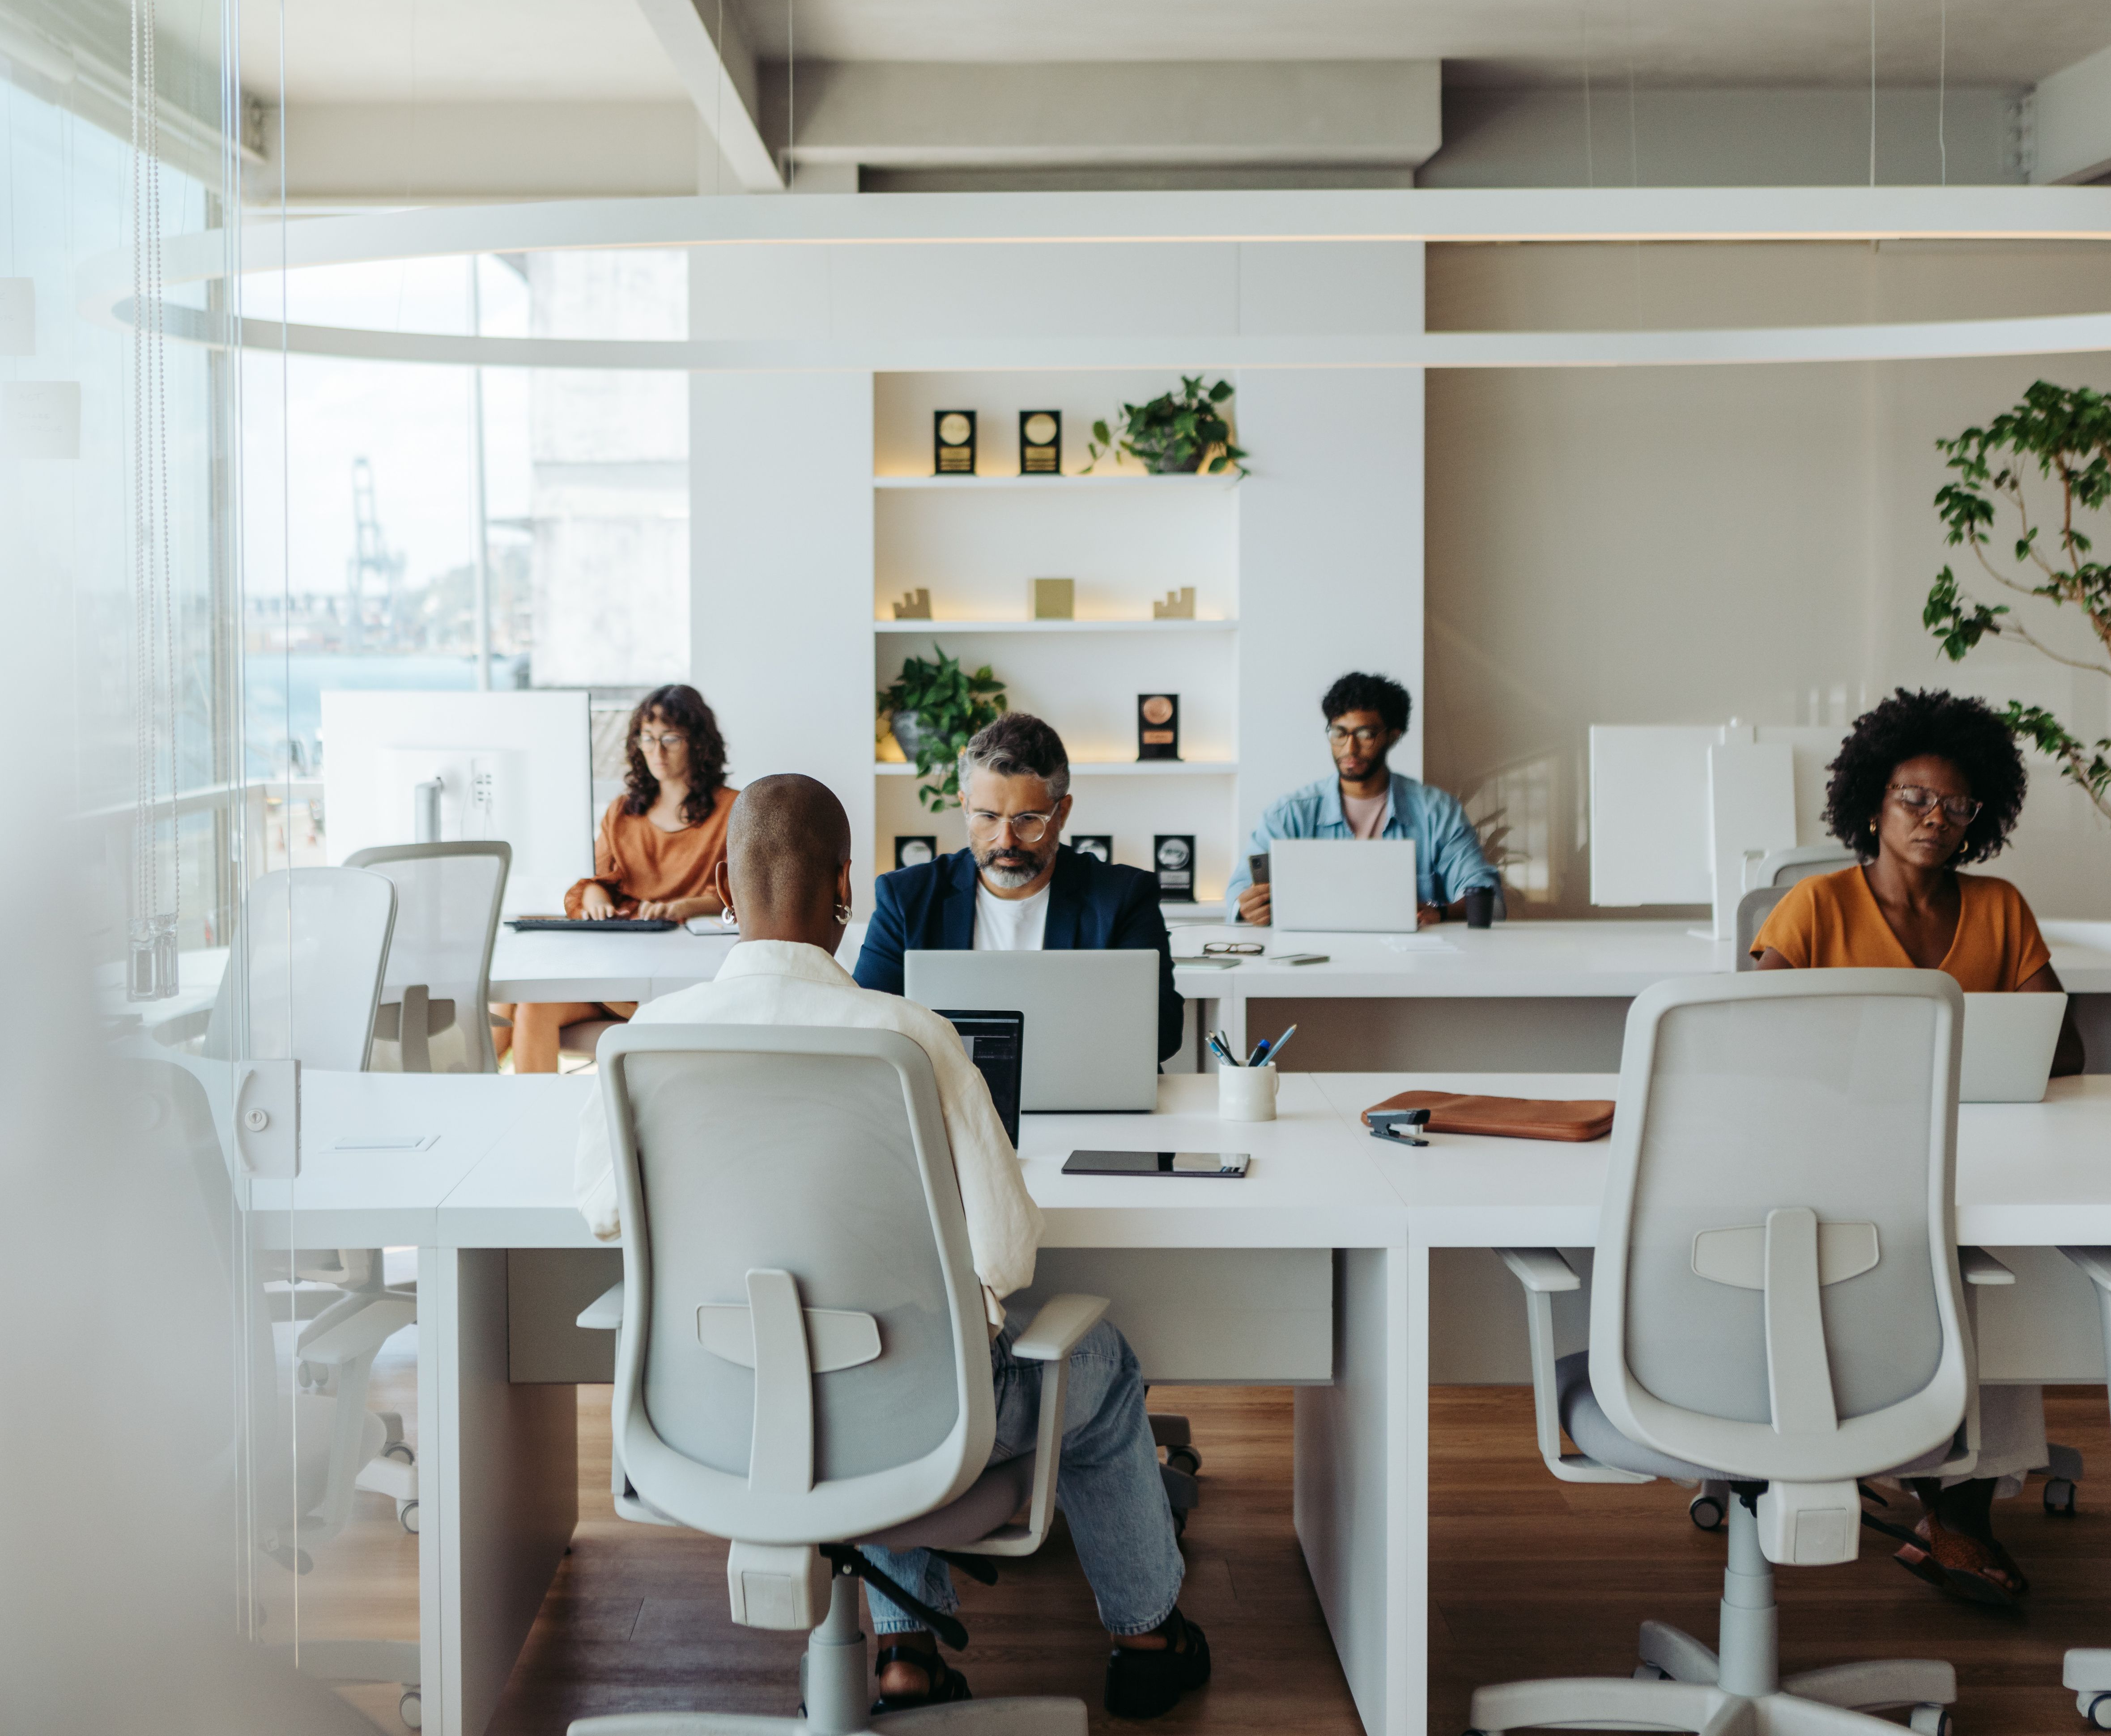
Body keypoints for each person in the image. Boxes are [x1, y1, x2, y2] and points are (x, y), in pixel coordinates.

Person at [570, 775, 1212, 1720]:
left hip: (711, 1418)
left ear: (717, 890)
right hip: (906, 1421)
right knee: (1087, 1365)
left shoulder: (642, 1043)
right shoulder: (914, 1040)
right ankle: (1148, 1641)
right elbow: (1006, 1259)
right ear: (845, 886)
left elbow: (602, 1213)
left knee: (887, 1342)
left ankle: (905, 1655)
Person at [1751, 686, 2082, 1610]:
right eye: (1913, 799)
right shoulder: (1814, 905)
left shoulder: (1999, 907)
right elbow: (1754, 1037)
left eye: (1954, 805)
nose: (1934, 818)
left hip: (1969, 1148)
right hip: (1834, 1157)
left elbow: (2064, 1041)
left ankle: (1960, 1509)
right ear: (1871, 805)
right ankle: (1926, 1497)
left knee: (1998, 1272)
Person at [852, 713, 1183, 1064]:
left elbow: (1161, 1035)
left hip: (1082, 1095)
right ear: (965, 806)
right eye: (988, 817)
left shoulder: (1123, 897)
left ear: (1062, 812)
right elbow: (868, 1029)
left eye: (1028, 820)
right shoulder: (906, 897)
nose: (1006, 840)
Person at [505, 685, 736, 1074]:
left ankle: (455, 1087)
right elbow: (600, 880)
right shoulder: (623, 812)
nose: (656, 752)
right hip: (612, 963)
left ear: (698, 743)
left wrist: (683, 907)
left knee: (502, 1007)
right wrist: (595, 896)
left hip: (675, 976)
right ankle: (532, 1120)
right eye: (647, 739)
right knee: (528, 1002)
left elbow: (739, 894)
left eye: (670, 739)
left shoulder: (733, 808)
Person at [1226, 671, 1498, 925]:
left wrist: (1439, 912)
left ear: (1393, 736)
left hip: (1410, 960)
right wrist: (1246, 907)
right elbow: (1238, 892)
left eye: (1365, 734)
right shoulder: (1290, 814)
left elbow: (1487, 895)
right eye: (1339, 733)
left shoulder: (1437, 812)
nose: (1349, 748)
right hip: (1313, 957)